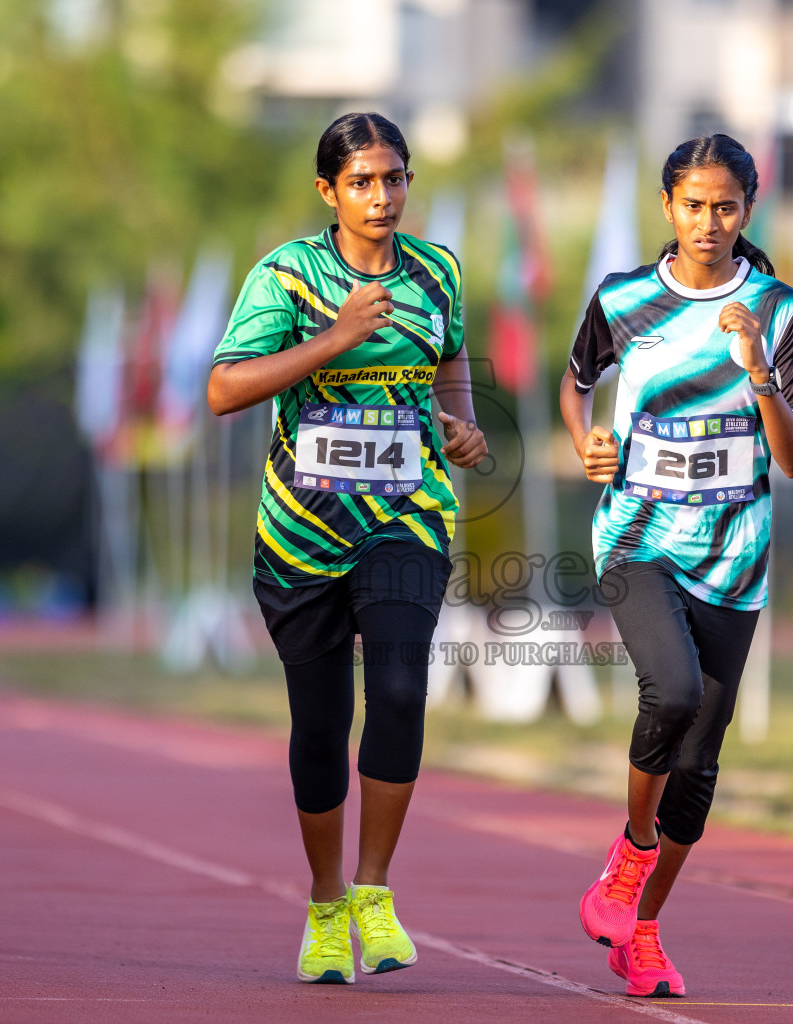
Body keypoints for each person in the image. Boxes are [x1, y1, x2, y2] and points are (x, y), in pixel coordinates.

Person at [206, 112, 486, 986]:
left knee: (400, 692)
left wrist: (463, 424)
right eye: (363, 181)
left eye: (395, 178)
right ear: (328, 191)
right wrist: (334, 337)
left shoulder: (437, 271)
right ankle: (326, 904)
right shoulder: (286, 276)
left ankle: (374, 888)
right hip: (301, 532)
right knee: (321, 725)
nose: (383, 196)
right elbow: (222, 389)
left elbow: (450, 359)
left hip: (407, 516)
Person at [559, 134, 793, 998]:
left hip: (735, 557)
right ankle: (629, 858)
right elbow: (576, 383)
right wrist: (586, 442)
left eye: (727, 207)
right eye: (693, 205)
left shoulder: (778, 310)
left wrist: (757, 372)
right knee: (668, 693)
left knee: (700, 765)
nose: (709, 222)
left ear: (749, 211)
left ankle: (641, 931)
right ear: (667, 207)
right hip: (637, 536)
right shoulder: (625, 298)